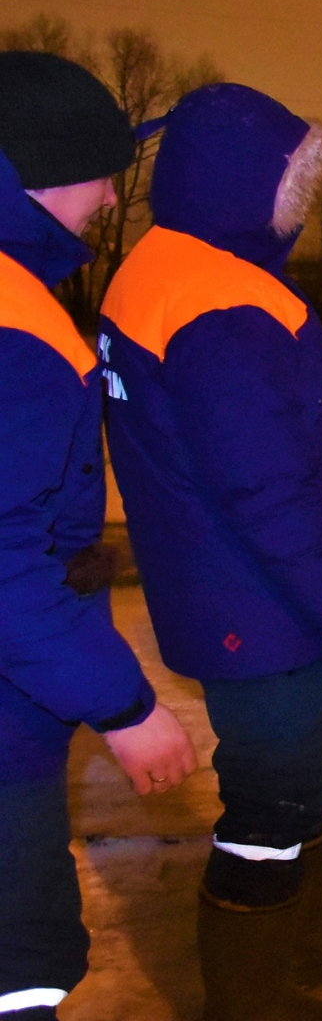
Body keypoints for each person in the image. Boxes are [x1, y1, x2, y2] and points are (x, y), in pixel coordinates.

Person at [99, 83, 322, 1020]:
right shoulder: (215, 300)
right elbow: (263, 486)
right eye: (291, 186)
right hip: (257, 604)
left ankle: (309, 945)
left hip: (231, 589)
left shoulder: (165, 268)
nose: (299, 208)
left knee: (297, 773)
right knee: (271, 800)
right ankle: (255, 999)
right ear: (238, 181)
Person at [0, 51, 197, 1021]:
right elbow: (7, 566)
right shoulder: (14, 325)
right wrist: (123, 706)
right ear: (33, 173)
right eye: (100, 169)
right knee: (20, 962)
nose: (115, 194)